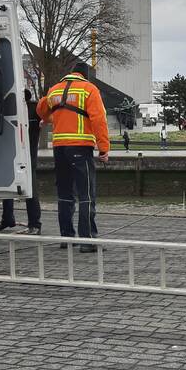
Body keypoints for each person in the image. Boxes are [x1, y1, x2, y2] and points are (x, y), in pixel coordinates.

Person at [37, 69, 110, 252]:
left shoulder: (54, 89)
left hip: (59, 148)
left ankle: (67, 238)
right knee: (86, 195)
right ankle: (87, 240)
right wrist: (103, 148)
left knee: (64, 194)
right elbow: (98, 119)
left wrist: (49, 119)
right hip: (80, 147)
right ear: (84, 76)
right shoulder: (88, 89)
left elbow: (41, 108)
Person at [0, 89, 42, 234]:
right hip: (15, 152)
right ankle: (9, 218)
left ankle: (34, 223)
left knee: (29, 187)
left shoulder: (34, 108)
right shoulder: (13, 108)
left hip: (27, 154)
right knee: (9, 182)